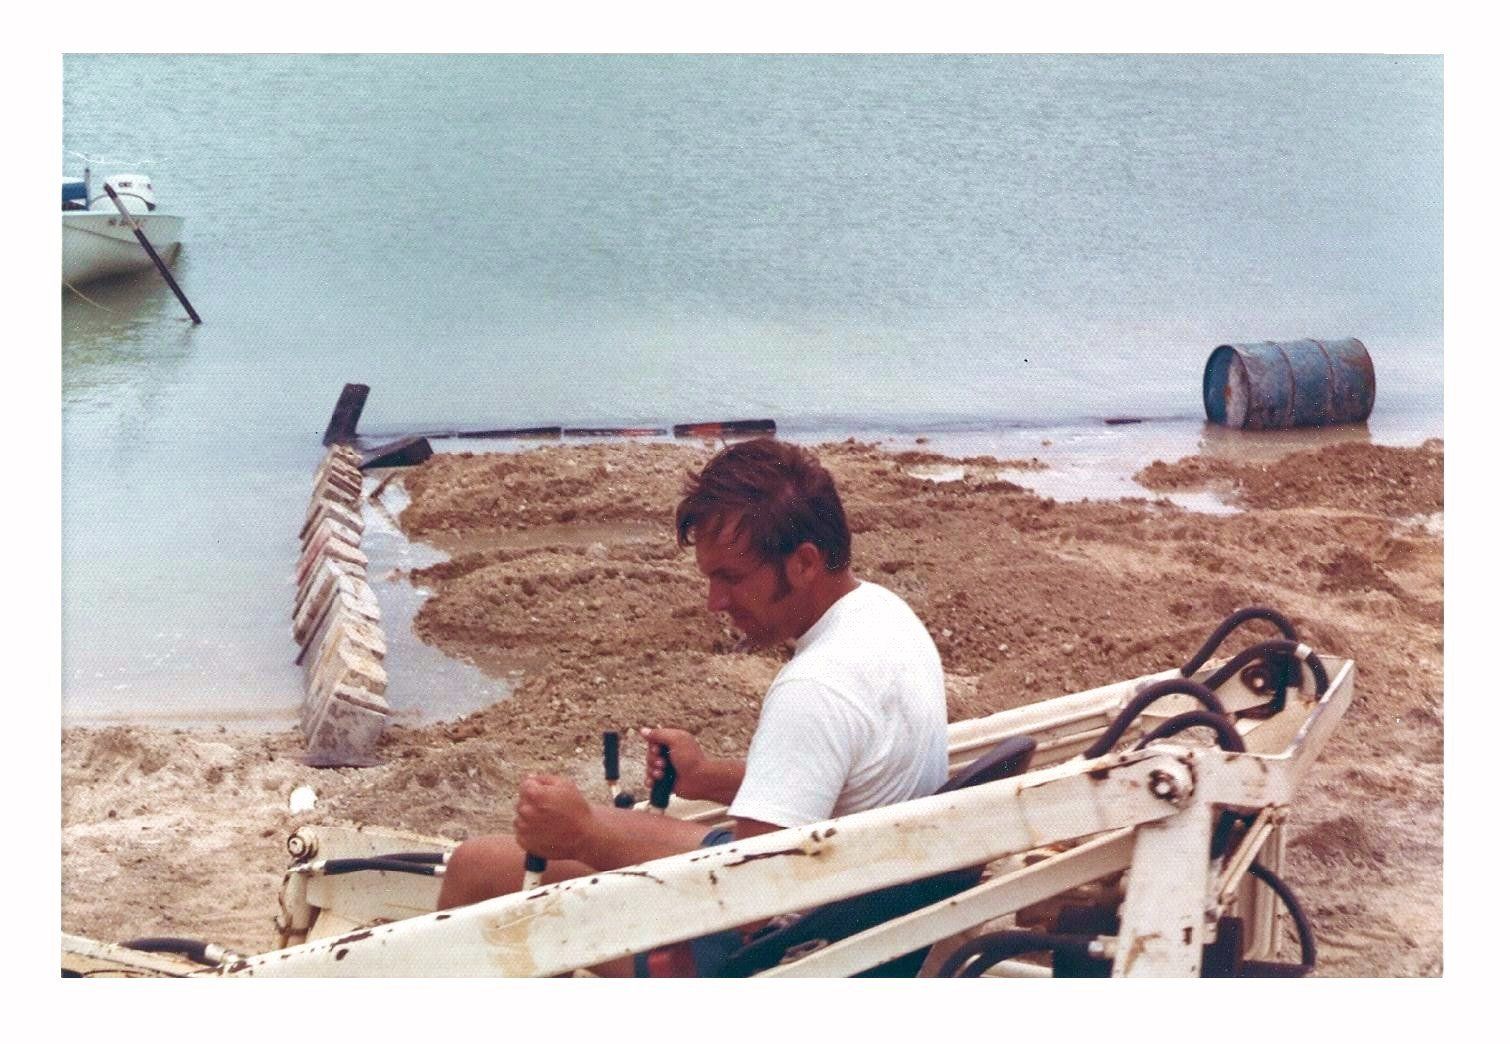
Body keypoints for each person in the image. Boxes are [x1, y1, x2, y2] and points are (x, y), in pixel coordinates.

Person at [436, 438, 948, 972]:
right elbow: (833, 782)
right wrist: (703, 777)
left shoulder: (815, 686)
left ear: (803, 562)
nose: (715, 602)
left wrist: (582, 833)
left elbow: (750, 898)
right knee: (589, 838)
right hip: (850, 901)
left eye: (731, 577)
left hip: (780, 947)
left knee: (477, 867)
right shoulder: (884, 616)